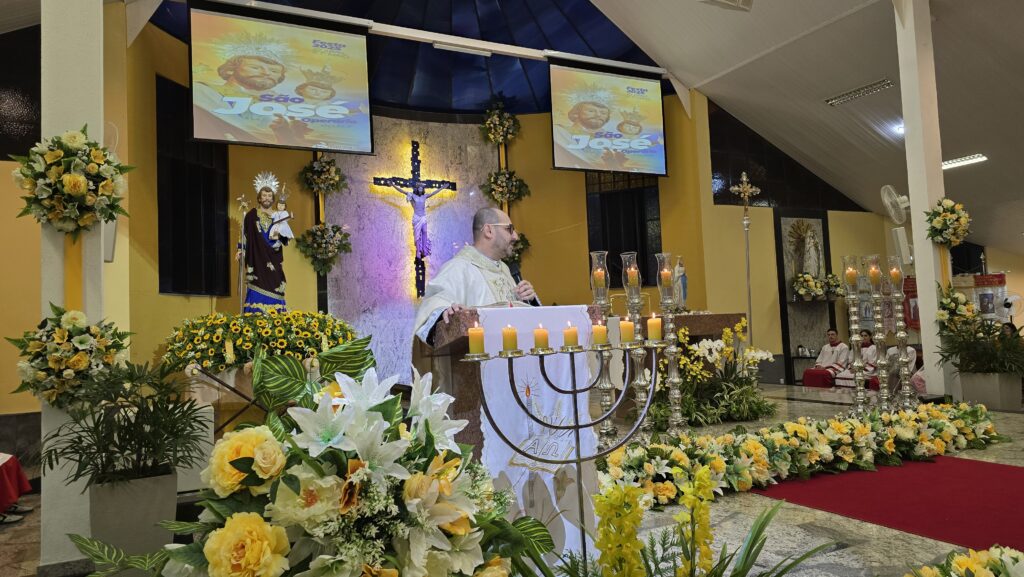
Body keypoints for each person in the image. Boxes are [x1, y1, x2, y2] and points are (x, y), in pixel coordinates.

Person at [413, 207, 538, 345]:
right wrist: (446, 314)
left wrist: (527, 300)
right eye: (509, 229)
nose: (515, 236)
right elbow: (431, 309)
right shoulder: (458, 268)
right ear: (489, 231)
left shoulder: (505, 269)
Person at [236, 172, 293, 313]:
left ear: (273, 198)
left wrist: (282, 237)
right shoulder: (251, 215)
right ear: (259, 198)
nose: (267, 198)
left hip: (274, 256)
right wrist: (241, 249)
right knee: (256, 285)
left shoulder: (278, 215)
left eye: (269, 195)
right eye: (264, 195)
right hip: (257, 258)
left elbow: (285, 235)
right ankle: (254, 320)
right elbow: (245, 234)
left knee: (276, 285)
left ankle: (277, 319)